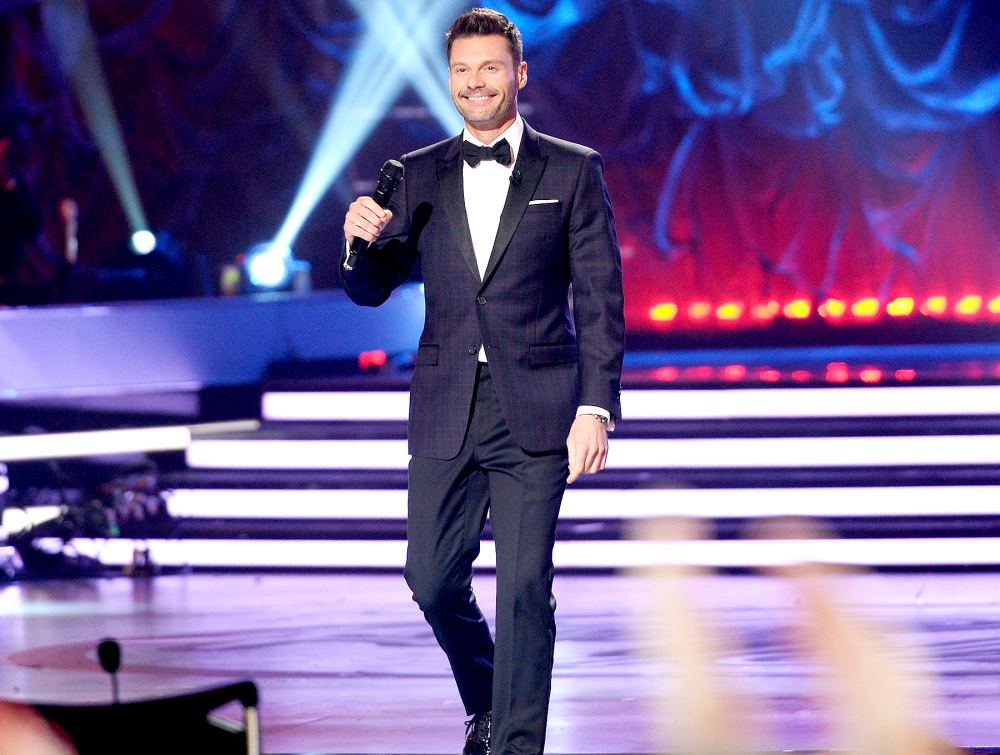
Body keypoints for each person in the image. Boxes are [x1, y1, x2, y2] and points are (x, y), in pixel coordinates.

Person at [341, 8, 624, 754]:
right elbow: (372, 288)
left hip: (537, 407)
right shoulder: (417, 172)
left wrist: (596, 404)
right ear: (450, 79)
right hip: (445, 406)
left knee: (525, 587)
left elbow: (599, 296)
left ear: (519, 74)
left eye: (490, 67)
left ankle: (516, 744)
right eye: (463, 70)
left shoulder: (572, 168)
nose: (476, 83)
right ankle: (487, 699)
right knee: (430, 577)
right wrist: (357, 241)